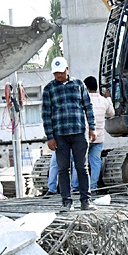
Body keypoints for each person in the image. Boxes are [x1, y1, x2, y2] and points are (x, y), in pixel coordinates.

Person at [41, 58, 94, 210]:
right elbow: (46, 114)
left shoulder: (78, 85)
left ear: (67, 69)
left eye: (61, 72)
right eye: (56, 73)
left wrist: (92, 127)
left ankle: (86, 201)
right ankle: (66, 201)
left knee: (82, 168)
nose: (59, 75)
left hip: (78, 133)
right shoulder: (49, 89)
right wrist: (50, 137)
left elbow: (88, 106)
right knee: (63, 169)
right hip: (60, 135)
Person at [84, 76, 115, 191]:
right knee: (95, 161)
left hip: (84, 137)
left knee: (80, 162)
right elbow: (111, 113)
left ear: (86, 88)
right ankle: (93, 187)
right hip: (99, 138)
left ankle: (76, 187)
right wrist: (109, 99)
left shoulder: (83, 100)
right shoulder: (104, 101)